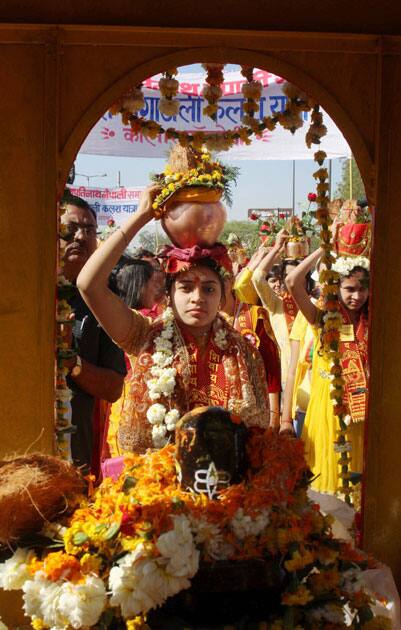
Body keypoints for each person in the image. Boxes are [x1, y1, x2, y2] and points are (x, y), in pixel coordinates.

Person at [77, 187, 270, 454]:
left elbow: (258, 438)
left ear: (224, 294)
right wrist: (141, 216)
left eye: (209, 289)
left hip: (228, 487)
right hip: (159, 481)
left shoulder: (244, 351)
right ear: (167, 294)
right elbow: (88, 284)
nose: (197, 298)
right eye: (186, 287)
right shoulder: (144, 335)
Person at [285, 247, 369, 494]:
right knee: (327, 491)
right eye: (350, 289)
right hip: (326, 415)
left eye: (362, 289)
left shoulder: (374, 321)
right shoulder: (321, 318)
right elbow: (292, 281)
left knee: (360, 489)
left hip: (362, 417)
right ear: (336, 288)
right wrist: (324, 249)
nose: (357, 296)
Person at [60, 195, 127, 470]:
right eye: (70, 228)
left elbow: (113, 388)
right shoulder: (23, 291)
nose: (80, 236)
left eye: (89, 230)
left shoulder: (102, 301)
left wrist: (71, 363)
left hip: (76, 458)